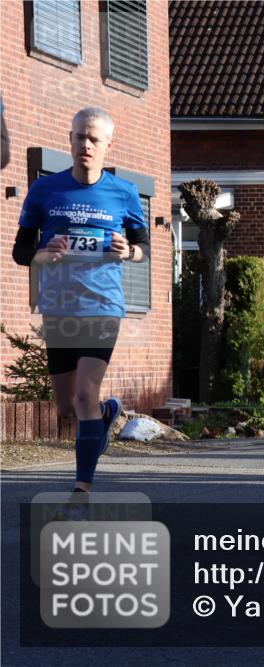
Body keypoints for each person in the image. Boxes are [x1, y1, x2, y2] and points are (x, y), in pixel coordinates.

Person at [12, 107, 149, 509]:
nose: (85, 145)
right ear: (69, 139)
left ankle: (82, 490)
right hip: (59, 307)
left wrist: (131, 251)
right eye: (78, 137)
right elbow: (21, 251)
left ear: (108, 144)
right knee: (67, 407)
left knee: (86, 393)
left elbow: (145, 249)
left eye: (93, 139)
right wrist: (42, 252)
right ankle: (107, 414)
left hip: (103, 305)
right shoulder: (45, 191)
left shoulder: (123, 193)